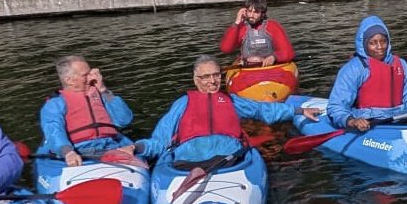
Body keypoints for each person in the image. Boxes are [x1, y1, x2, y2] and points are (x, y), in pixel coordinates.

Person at [135, 55, 321, 164]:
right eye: (206, 77)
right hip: (187, 164)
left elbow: (263, 110)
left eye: (216, 75)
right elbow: (159, 141)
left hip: (230, 161)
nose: (212, 81)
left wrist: (298, 111)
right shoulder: (182, 104)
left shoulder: (231, 101)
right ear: (196, 80)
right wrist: (137, 147)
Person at [327, 16, 407, 132]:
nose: (379, 47)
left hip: (401, 119)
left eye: (383, 41)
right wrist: (351, 121)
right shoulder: (354, 68)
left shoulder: (401, 64)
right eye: (373, 43)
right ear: (364, 44)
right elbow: (336, 106)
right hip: (369, 123)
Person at [38, 55, 137, 167]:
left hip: (112, 145)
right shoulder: (55, 104)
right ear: (69, 80)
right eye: (85, 75)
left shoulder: (102, 95)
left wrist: (103, 90)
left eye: (91, 73)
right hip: (80, 150)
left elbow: (124, 120)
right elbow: (54, 131)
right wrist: (68, 153)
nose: (91, 78)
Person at [219, 0, 295, 67]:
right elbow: (226, 49)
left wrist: (274, 57)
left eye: (256, 12)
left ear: (263, 14)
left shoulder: (273, 26)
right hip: (247, 67)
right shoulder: (241, 28)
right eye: (249, 11)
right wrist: (237, 22)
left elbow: (288, 52)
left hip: (269, 67)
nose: (251, 15)